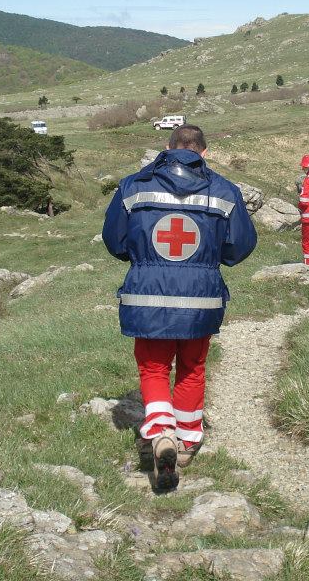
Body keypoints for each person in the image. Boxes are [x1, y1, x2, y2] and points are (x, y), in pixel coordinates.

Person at [102, 125, 257, 491]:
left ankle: (160, 433)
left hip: (147, 295)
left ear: (166, 147)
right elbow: (241, 246)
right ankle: (186, 440)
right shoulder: (224, 190)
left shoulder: (133, 186)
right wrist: (209, 260)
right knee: (192, 367)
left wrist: (142, 259)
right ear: (204, 152)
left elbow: (115, 240)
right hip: (200, 298)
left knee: (154, 367)